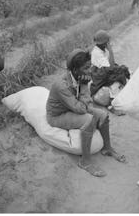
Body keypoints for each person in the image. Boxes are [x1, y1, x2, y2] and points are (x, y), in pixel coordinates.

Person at [46, 49, 126, 177]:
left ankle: (107, 148)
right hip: (58, 115)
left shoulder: (79, 76)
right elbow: (81, 108)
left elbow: (87, 102)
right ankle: (85, 161)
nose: (89, 71)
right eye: (86, 68)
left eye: (90, 66)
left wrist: (84, 92)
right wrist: (84, 87)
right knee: (88, 120)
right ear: (75, 70)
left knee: (103, 115)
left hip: (74, 106)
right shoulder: (61, 85)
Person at [90, 30, 130, 108]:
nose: (108, 43)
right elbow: (110, 67)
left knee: (123, 69)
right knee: (119, 76)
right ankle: (112, 103)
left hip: (105, 71)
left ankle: (125, 90)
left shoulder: (103, 49)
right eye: (107, 42)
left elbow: (110, 65)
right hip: (100, 76)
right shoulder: (97, 53)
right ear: (104, 43)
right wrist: (111, 51)